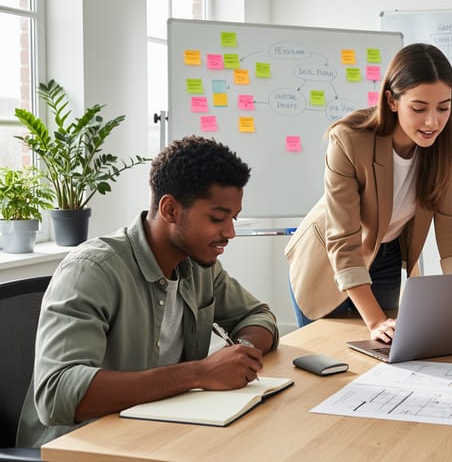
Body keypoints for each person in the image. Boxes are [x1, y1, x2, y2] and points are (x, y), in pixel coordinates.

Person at [17, 136, 279, 448]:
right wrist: (198, 374)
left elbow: (258, 316)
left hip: (160, 434)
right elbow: (57, 392)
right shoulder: (92, 271)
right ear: (170, 209)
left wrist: (242, 354)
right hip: (82, 446)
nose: (230, 233)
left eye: (233, 218)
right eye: (217, 218)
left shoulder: (198, 266)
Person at [284, 43, 452, 342]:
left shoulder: (450, 133)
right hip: (326, 257)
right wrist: (374, 321)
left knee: (384, 351)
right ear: (391, 100)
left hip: (386, 254)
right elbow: (343, 239)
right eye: (419, 108)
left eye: (443, 106)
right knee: (327, 355)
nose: (433, 122)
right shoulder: (349, 139)